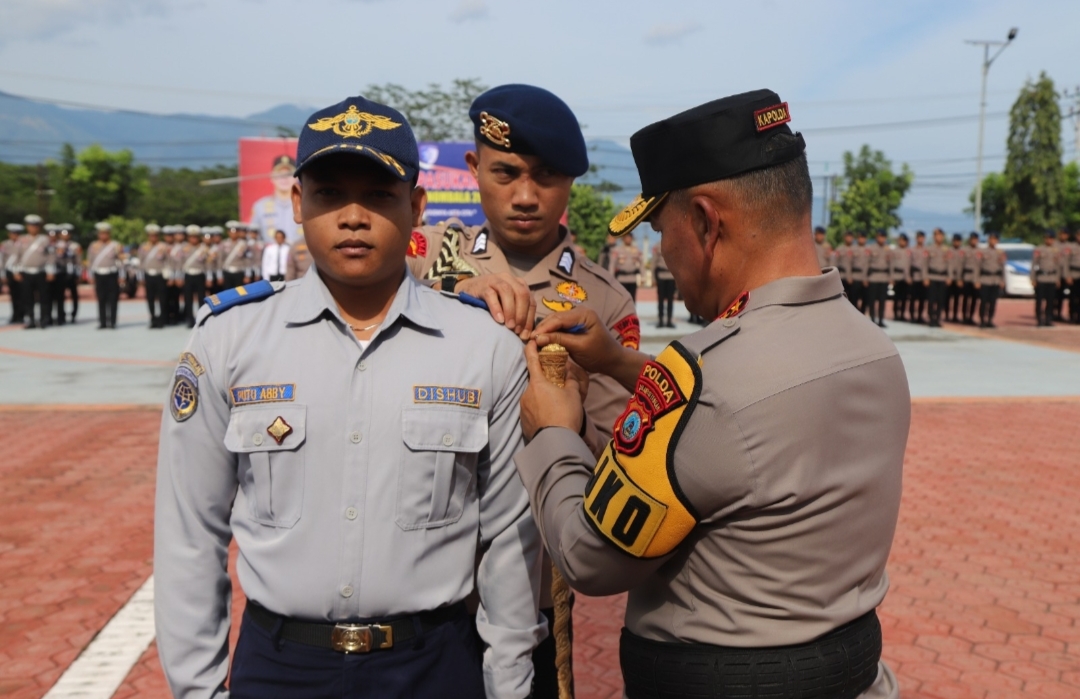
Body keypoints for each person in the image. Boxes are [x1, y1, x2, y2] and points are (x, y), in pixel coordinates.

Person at [516, 89, 908, 699]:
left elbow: (590, 558)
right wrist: (620, 363)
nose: (663, 253)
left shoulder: (709, 381)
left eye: (661, 227)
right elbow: (741, 417)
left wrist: (554, 433)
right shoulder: (870, 345)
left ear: (704, 220)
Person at [155, 95, 544, 699]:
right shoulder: (229, 341)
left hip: (434, 665)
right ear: (297, 204)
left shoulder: (482, 347)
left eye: (380, 195)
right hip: (280, 666)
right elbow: (189, 535)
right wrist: (197, 691)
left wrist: (510, 685)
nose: (353, 216)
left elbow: (510, 542)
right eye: (330, 194)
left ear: (417, 207)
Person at [404, 83, 637, 698]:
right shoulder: (424, 270)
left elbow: (616, 460)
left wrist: (559, 421)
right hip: (415, 569)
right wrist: (453, 298)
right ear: (474, 168)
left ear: (569, 186)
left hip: (531, 575)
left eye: (548, 178)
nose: (527, 197)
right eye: (505, 173)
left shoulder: (605, 302)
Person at [15, 214, 56, 329]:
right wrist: (16, 271)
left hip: (41, 272)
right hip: (26, 272)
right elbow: (17, 257)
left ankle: (44, 319)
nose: (33, 228)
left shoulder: (45, 240)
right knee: (27, 298)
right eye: (30, 226)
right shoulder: (21, 240)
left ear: (38, 227)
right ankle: (30, 320)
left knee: (44, 297)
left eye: (35, 226)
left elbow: (51, 256)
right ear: (27, 227)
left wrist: (51, 271)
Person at [250, 155, 301, 243]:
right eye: (280, 174)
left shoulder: (304, 204)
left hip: (300, 254)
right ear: (272, 177)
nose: (284, 178)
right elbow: (253, 238)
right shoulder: (260, 207)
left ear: (296, 177)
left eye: (288, 174)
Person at [86, 222, 123, 329]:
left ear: (109, 234)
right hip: (99, 274)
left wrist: (122, 275)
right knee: (101, 298)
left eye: (105, 233)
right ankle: (102, 322)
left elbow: (121, 262)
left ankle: (112, 322)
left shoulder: (115, 245)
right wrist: (90, 276)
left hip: (112, 274)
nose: (103, 236)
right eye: (101, 233)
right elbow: (90, 262)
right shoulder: (93, 246)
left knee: (113, 299)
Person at [138, 224, 170, 328]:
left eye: (155, 235)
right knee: (150, 298)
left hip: (160, 275)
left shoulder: (163, 246)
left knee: (162, 298)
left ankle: (162, 319)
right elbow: (140, 263)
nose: (153, 237)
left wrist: (169, 276)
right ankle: (152, 319)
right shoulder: (143, 247)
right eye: (151, 235)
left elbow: (168, 262)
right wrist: (140, 277)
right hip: (148, 275)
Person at [974, 233, 1006, 328]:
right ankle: (982, 320)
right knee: (984, 301)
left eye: (995, 239)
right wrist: (977, 280)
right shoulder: (982, 252)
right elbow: (977, 267)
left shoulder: (1000, 253)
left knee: (993, 302)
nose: (993, 241)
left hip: (995, 280)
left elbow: (1002, 267)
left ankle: (990, 320)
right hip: (985, 279)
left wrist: (1002, 280)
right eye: (991, 239)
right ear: (988, 240)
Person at [181, 225, 210, 327]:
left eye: (195, 236)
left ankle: (201, 318)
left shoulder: (204, 248)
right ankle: (189, 319)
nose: (193, 239)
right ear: (188, 237)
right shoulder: (183, 248)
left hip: (200, 274)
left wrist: (209, 277)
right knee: (188, 298)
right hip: (188, 274)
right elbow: (180, 263)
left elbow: (208, 264)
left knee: (201, 298)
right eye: (191, 236)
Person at [1031, 230, 1062, 327]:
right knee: (1039, 301)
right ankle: (1039, 319)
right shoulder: (1039, 249)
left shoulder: (1056, 250)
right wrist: (1033, 278)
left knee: (1051, 300)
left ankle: (1048, 319)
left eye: (1051, 238)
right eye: (1047, 238)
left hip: (1052, 278)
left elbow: (1058, 266)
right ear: (1044, 239)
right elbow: (1034, 265)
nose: (1049, 240)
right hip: (1041, 277)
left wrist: (1058, 279)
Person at [924, 229, 951, 328]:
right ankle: (931, 319)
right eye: (936, 235)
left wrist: (949, 276)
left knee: (940, 300)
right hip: (932, 277)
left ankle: (937, 318)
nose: (938, 237)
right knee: (931, 300)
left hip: (942, 277)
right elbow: (925, 264)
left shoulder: (946, 249)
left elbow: (949, 264)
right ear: (934, 237)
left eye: (940, 235)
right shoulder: (929, 249)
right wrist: (925, 277)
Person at [866, 229, 891, 327]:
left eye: (884, 237)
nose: (882, 239)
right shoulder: (871, 248)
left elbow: (890, 264)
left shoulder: (887, 249)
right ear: (877, 237)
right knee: (872, 300)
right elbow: (866, 264)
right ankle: (872, 319)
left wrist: (890, 277)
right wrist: (865, 277)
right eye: (880, 236)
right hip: (873, 277)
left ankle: (880, 320)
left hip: (884, 277)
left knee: (882, 300)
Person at [609, 233, 643, 300]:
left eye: (629, 238)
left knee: (632, 299)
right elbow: (612, 264)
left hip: (632, 279)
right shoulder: (617, 250)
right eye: (626, 238)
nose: (628, 239)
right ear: (623, 239)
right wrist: (611, 277)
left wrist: (643, 276)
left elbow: (641, 263)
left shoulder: (636, 250)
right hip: (621, 279)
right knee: (621, 299)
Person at [218, 221, 250, 290]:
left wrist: (247, 275)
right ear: (228, 232)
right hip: (227, 272)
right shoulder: (223, 243)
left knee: (240, 293)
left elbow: (247, 260)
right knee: (228, 292)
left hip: (239, 272)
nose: (233, 234)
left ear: (238, 232)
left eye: (235, 231)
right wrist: (219, 275)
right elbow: (220, 259)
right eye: (231, 232)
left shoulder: (244, 244)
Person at [2, 224, 24, 324]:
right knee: (13, 294)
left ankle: (22, 314)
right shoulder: (5, 244)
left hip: (21, 271)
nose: (14, 235)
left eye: (16, 233)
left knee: (23, 294)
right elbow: (1, 260)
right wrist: (2, 274)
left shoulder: (24, 244)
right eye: (12, 233)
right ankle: (15, 315)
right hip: (9, 271)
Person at [652, 240, 676, 328]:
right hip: (661, 276)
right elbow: (653, 263)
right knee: (660, 300)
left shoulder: (675, 244)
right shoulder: (657, 246)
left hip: (671, 276)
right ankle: (661, 320)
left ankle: (669, 320)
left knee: (670, 300)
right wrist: (653, 278)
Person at [960, 232, 980, 325]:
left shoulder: (980, 251)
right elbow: (960, 265)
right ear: (969, 240)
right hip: (966, 277)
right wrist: (959, 278)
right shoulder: (964, 251)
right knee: (966, 299)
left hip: (976, 278)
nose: (974, 241)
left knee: (974, 299)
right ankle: (964, 317)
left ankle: (971, 317)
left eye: (976, 239)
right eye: (972, 239)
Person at [1060, 229, 1079, 324]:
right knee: (1073, 298)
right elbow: (1066, 262)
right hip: (1073, 274)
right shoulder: (1071, 247)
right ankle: (1072, 316)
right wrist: (1067, 275)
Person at [891, 233, 911, 321]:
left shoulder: (909, 252)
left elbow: (910, 265)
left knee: (904, 298)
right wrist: (891, 277)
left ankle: (902, 314)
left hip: (905, 278)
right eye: (901, 240)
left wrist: (909, 277)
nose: (903, 242)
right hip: (897, 276)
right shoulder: (895, 251)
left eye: (904, 241)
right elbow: (891, 265)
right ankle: (896, 314)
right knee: (896, 298)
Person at [908, 231, 927, 323]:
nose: (921, 239)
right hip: (914, 276)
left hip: (923, 278)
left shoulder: (926, 250)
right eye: (919, 237)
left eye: (922, 238)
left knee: (922, 299)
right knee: (913, 298)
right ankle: (912, 316)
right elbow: (908, 264)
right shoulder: (912, 250)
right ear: (916, 239)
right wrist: (909, 276)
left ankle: (920, 316)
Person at [850, 231, 870, 314]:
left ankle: (862, 314)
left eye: (863, 238)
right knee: (854, 298)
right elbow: (848, 263)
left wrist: (867, 278)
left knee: (865, 299)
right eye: (860, 237)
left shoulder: (869, 250)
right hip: (855, 276)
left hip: (865, 278)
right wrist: (849, 276)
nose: (862, 239)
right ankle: (853, 315)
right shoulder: (853, 249)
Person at [946, 232, 964, 322]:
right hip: (949, 278)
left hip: (959, 278)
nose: (957, 242)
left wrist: (960, 278)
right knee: (947, 298)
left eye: (958, 241)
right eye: (955, 241)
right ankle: (946, 315)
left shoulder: (962, 252)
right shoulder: (948, 251)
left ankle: (955, 316)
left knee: (957, 299)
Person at [833, 230, 855, 302]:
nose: (849, 238)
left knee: (853, 299)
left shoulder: (856, 249)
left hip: (854, 277)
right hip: (842, 277)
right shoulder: (839, 249)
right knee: (842, 299)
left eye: (850, 237)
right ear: (844, 238)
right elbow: (835, 263)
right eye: (847, 237)